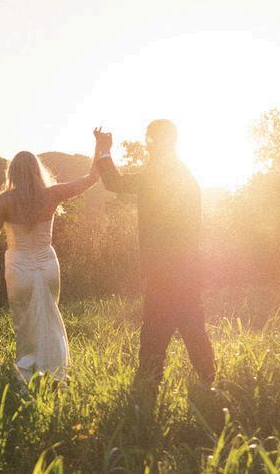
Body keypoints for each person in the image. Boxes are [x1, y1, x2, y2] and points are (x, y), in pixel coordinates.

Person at [93, 120, 216, 386]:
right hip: (186, 267)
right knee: (192, 327)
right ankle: (209, 382)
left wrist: (104, 149)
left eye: (149, 139)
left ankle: (148, 386)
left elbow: (114, 182)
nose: (147, 145)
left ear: (158, 141)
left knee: (154, 332)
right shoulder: (181, 172)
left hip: (165, 269)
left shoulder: (160, 172)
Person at [0, 151, 98, 383]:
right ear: (37, 170)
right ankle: (55, 374)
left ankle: (28, 375)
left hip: (19, 269)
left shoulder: (4, 200)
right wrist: (101, 148)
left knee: (24, 324)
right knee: (49, 317)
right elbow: (92, 178)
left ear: (12, 172)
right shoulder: (53, 193)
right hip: (48, 267)